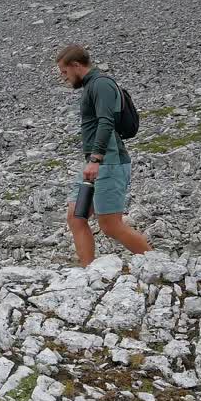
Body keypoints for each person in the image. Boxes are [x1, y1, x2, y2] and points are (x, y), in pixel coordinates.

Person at [56, 45, 152, 265]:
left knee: (110, 225)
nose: (64, 77)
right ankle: (88, 273)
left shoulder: (101, 84)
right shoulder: (92, 86)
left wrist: (95, 159)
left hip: (108, 163)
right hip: (96, 164)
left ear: (76, 66)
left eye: (64, 72)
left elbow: (106, 122)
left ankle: (161, 267)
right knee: (76, 217)